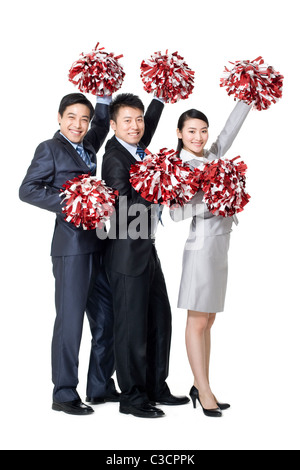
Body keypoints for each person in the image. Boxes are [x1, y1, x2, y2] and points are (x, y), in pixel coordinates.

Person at [19, 93, 119, 416]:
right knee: (70, 321)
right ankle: (63, 393)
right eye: (71, 117)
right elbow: (28, 189)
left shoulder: (87, 146)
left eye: (84, 119)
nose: (78, 124)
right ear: (59, 118)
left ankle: (100, 386)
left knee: (107, 317)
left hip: (97, 245)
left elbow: (104, 124)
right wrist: (72, 201)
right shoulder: (49, 149)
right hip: (71, 248)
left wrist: (104, 95)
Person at [101, 93, 190, 418]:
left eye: (139, 119)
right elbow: (122, 208)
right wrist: (158, 187)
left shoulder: (136, 149)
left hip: (145, 249)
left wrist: (159, 99)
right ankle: (133, 397)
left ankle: (155, 386)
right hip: (125, 252)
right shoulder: (114, 157)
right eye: (128, 120)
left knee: (159, 319)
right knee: (131, 328)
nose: (136, 126)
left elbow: (146, 126)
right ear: (113, 125)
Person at [170, 100, 251, 417]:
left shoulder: (212, 156)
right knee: (198, 320)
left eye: (203, 130)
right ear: (179, 133)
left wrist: (247, 96)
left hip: (220, 247)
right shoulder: (179, 168)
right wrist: (216, 202)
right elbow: (176, 213)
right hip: (200, 248)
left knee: (210, 320)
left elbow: (230, 130)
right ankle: (204, 391)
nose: (199, 136)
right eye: (191, 131)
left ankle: (199, 383)